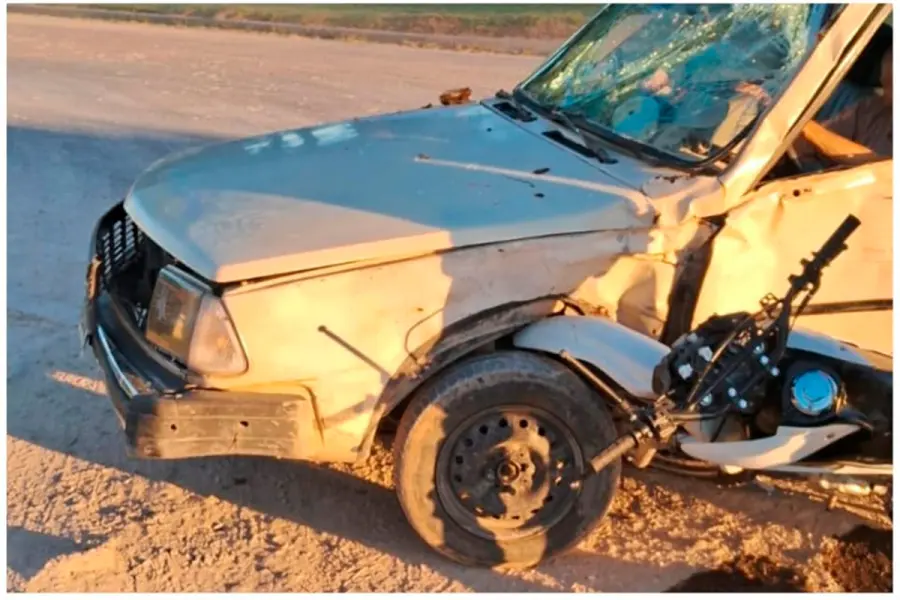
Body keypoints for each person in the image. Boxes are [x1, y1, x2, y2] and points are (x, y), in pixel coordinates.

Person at [793, 45, 893, 166]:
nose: (885, 94)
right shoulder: (870, 108)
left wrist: (804, 126)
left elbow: (877, 166)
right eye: (884, 84)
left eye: (892, 85)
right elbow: (813, 142)